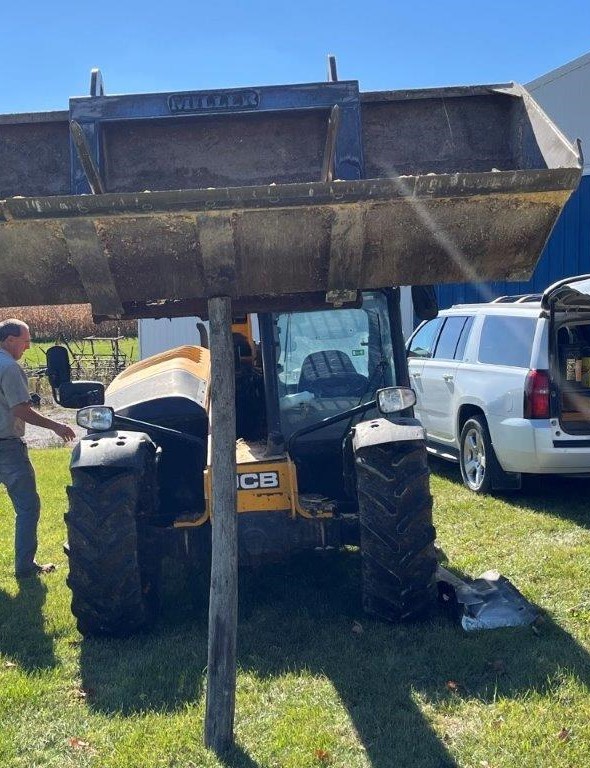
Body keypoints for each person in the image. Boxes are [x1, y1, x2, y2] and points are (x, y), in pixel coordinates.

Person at [0, 319, 76, 578]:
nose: (28, 346)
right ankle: (25, 567)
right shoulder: (9, 367)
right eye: (25, 341)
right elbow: (20, 410)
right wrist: (56, 426)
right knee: (27, 507)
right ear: (10, 340)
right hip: (7, 448)